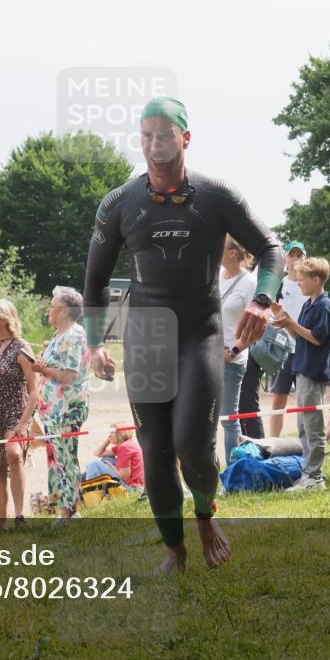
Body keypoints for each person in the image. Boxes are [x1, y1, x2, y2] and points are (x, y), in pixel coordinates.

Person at [83, 97, 282, 570]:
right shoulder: (119, 203)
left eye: (164, 135)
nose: (154, 145)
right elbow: (93, 279)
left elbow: (271, 248)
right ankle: (174, 549)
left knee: (193, 442)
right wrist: (94, 343)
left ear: (185, 138)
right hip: (147, 335)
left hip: (200, 333)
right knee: (155, 449)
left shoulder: (216, 196)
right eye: (146, 135)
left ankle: (206, 514)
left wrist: (262, 301)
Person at [271, 257, 330, 490]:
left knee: (313, 426)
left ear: (316, 280)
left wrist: (292, 323)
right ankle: (308, 472)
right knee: (303, 426)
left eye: (302, 281)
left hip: (313, 370)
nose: (298, 284)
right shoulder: (309, 303)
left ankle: (315, 476)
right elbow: (301, 336)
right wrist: (286, 322)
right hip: (302, 367)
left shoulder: (324, 306)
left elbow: (317, 338)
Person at [33, 286, 91, 526]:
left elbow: (69, 375)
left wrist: (42, 369)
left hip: (67, 409)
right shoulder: (59, 335)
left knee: (65, 460)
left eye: (53, 306)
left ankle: (70, 511)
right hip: (53, 411)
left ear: (64, 310)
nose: (49, 311)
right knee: (55, 460)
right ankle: (61, 509)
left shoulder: (73, 336)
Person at [0, 299, 37, 529]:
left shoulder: (22, 347)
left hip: (17, 410)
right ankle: (2, 521)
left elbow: (34, 389)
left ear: (4, 319)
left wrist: (25, 421)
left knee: (14, 454)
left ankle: (19, 515)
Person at [219, 235, 258, 462]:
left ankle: (234, 469)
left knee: (228, 418)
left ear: (233, 252)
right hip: (206, 355)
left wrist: (233, 351)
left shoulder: (250, 283)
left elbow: (259, 327)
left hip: (230, 360)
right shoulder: (215, 276)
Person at [269, 241, 309, 437]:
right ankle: (274, 442)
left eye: (299, 255)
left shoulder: (310, 284)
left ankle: (309, 443)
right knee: (278, 399)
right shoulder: (279, 284)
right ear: (285, 259)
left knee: (307, 400)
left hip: (306, 349)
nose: (296, 259)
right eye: (292, 255)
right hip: (283, 350)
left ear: (306, 258)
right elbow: (269, 313)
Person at [236, 256, 266, 440]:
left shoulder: (251, 282)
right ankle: (245, 444)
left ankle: (259, 447)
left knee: (247, 401)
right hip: (234, 350)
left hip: (247, 351)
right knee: (237, 405)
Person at [84, 424, 145, 490]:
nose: (109, 435)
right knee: (108, 458)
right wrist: (107, 441)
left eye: (112, 432)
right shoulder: (127, 444)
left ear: (120, 433)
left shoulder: (124, 447)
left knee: (94, 464)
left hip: (131, 487)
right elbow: (97, 453)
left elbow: (125, 477)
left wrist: (113, 468)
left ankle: (90, 490)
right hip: (135, 484)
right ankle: (96, 486)